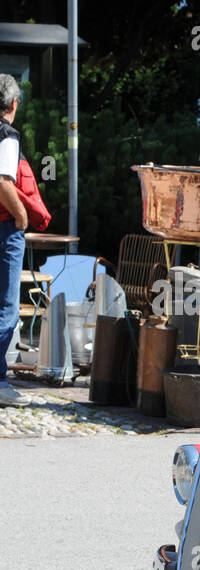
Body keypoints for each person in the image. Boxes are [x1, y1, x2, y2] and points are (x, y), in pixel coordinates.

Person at [0, 74, 29, 408]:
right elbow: (4, 182)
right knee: (6, 307)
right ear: (14, 103)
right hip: (5, 227)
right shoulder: (7, 135)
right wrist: (21, 217)